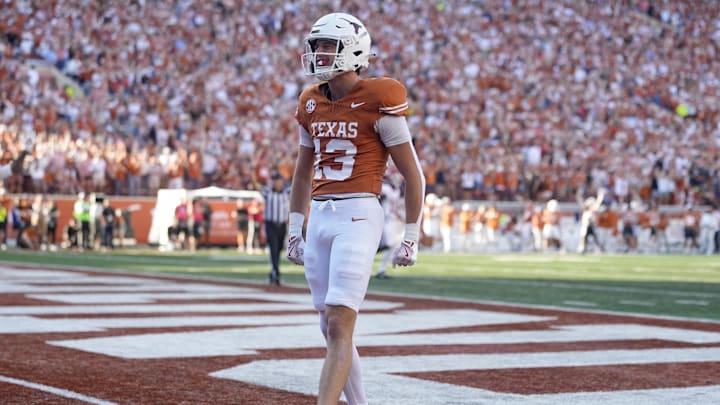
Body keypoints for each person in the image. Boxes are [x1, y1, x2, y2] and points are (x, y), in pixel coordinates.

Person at [285, 12, 425, 405]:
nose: (320, 54)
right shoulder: (309, 102)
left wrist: (411, 236)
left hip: (359, 215)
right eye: (317, 46)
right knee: (329, 328)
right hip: (321, 215)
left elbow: (413, 175)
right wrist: (295, 228)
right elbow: (300, 175)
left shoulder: (381, 96)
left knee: (341, 324)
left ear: (354, 50)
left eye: (328, 45)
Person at [262, 172, 290, 285]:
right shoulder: (268, 192)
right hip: (271, 224)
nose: (277, 183)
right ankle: (276, 272)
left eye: (278, 180)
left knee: (278, 250)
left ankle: (274, 271)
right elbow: (256, 185)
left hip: (282, 225)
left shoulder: (286, 192)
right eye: (274, 180)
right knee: (273, 249)